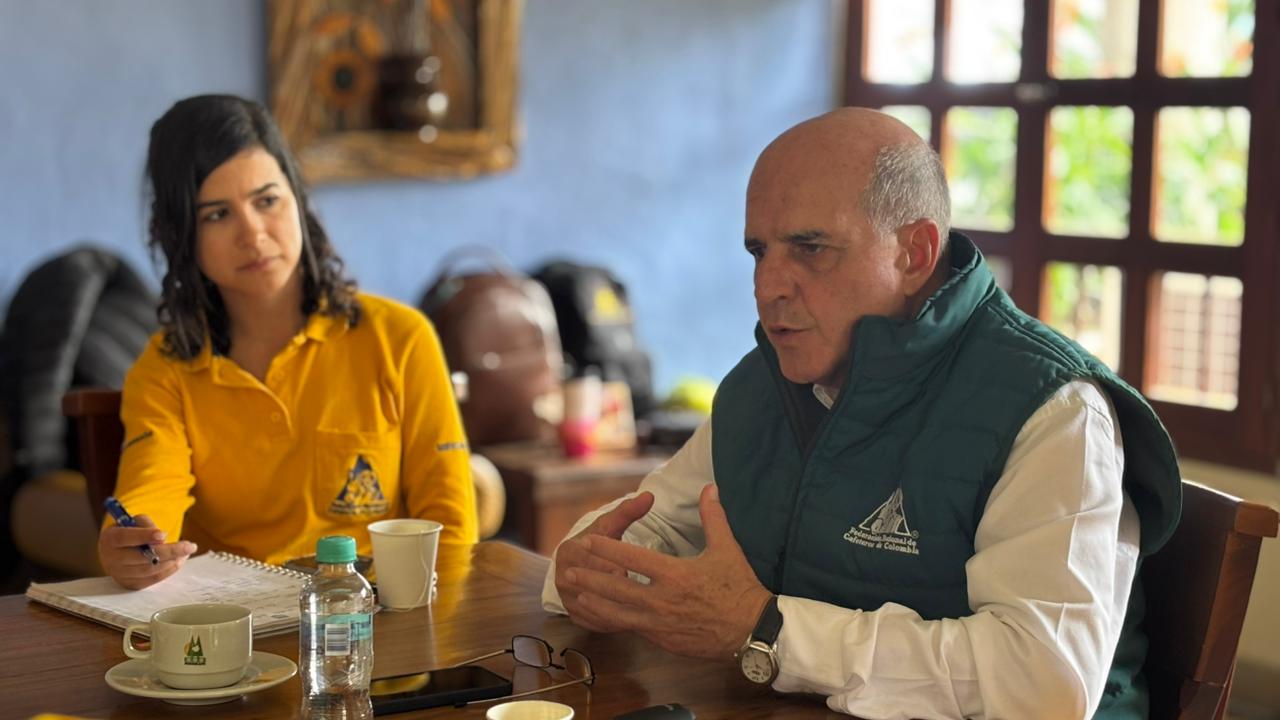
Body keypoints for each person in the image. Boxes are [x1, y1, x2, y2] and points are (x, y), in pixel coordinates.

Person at [544, 108, 1181, 719]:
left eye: (811, 248)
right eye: (759, 251)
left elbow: (1045, 684)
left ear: (915, 254)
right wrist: (590, 570)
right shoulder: (763, 384)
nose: (768, 286)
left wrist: (769, 631)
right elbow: (657, 526)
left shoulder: (1054, 409)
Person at [98, 95, 478, 590]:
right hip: (238, 629)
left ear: (299, 201)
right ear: (180, 235)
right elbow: (151, 498)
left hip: (376, 626)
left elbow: (452, 533)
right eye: (217, 215)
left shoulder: (400, 339)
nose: (253, 234)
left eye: (267, 201)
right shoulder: (163, 371)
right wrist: (132, 548)